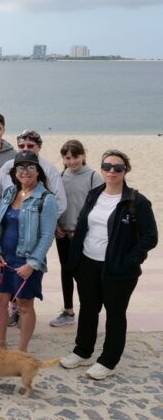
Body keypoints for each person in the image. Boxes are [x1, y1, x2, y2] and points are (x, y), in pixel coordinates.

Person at [60, 150, 157, 380]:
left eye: (118, 167)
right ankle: (82, 351)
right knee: (88, 308)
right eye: (107, 167)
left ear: (126, 170)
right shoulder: (95, 194)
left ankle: (108, 361)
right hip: (88, 263)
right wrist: (76, 259)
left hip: (118, 269)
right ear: (101, 169)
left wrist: (129, 259)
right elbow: (84, 225)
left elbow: (150, 237)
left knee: (115, 313)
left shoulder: (136, 201)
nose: (112, 171)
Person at [0, 130, 67, 327]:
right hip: (7, 244)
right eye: (22, 146)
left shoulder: (48, 171)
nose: (26, 148)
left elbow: (58, 204)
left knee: (25, 301)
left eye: (30, 146)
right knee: (0, 297)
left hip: (30, 246)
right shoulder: (9, 173)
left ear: (39, 147)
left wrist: (40, 221)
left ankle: (19, 319)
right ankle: (6, 327)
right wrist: (0, 216)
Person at [0, 151, 57, 352]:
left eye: (30, 167)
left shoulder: (46, 199)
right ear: (15, 172)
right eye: (21, 167)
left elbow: (47, 236)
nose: (25, 171)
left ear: (38, 171)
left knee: (24, 304)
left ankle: (22, 351)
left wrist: (32, 264)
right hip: (4, 258)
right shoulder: (10, 193)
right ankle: (0, 343)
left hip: (27, 260)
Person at [50, 140, 103, 328]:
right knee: (66, 271)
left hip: (84, 235)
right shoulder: (60, 177)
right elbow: (54, 204)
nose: (72, 161)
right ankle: (68, 311)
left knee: (83, 274)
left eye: (75, 157)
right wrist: (56, 224)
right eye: (67, 158)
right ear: (63, 159)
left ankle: (89, 309)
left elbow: (99, 207)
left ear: (83, 155)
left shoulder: (94, 177)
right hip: (63, 233)